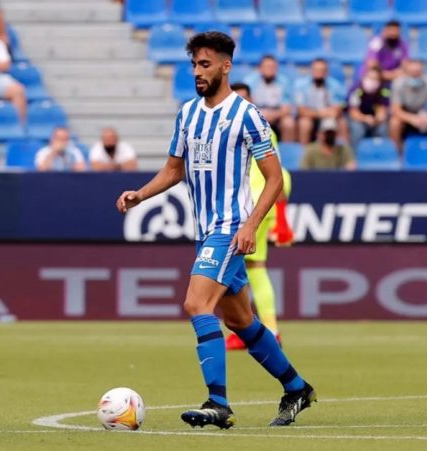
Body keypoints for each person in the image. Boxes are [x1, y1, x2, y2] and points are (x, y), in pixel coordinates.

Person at [116, 31, 315, 429]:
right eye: (193, 65)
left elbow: (273, 179)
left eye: (205, 64)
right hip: (205, 231)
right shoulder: (187, 114)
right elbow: (174, 170)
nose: (197, 72)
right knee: (241, 321)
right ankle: (296, 388)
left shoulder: (247, 115)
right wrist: (142, 194)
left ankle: (218, 402)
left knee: (195, 304)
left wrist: (250, 225)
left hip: (228, 228)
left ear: (226, 66)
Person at [225, 82, 295, 349]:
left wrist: (282, 216)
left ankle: (247, 329)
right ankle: (269, 330)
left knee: (231, 272)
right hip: (258, 206)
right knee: (254, 269)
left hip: (247, 208)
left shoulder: (239, 127)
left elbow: (276, 174)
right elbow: (279, 172)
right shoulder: (261, 127)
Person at [390, 59, 427, 151]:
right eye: (412, 73)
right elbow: (396, 110)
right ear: (407, 72)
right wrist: (411, 119)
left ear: (422, 72)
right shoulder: (398, 84)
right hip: (406, 115)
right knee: (394, 123)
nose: (415, 75)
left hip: (424, 114)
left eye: (417, 72)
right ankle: (397, 153)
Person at [294, 58, 347, 145]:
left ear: (327, 72)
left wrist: (332, 112)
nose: (319, 73)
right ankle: (304, 155)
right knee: (305, 123)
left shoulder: (335, 85)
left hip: (328, 116)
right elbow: (301, 110)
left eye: (322, 70)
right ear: (311, 71)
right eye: (316, 70)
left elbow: (338, 107)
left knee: (342, 123)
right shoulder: (300, 85)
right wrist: (319, 113)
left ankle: (344, 154)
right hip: (309, 116)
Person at [243, 55, 296, 142]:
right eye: (267, 67)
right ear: (260, 68)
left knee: (288, 123)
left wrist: (274, 115)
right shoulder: (250, 81)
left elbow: (287, 108)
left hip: (278, 114)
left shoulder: (284, 82)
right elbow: (246, 104)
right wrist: (261, 114)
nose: (270, 69)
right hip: (257, 113)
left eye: (273, 67)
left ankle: (288, 152)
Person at [348, 67, 390, 150]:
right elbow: (353, 112)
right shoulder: (356, 89)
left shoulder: (384, 90)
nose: (372, 81)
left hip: (375, 119)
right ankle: (355, 155)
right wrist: (365, 118)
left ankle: (383, 154)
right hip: (359, 118)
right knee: (358, 129)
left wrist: (378, 118)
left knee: (383, 128)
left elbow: (382, 109)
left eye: (375, 79)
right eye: (370, 78)